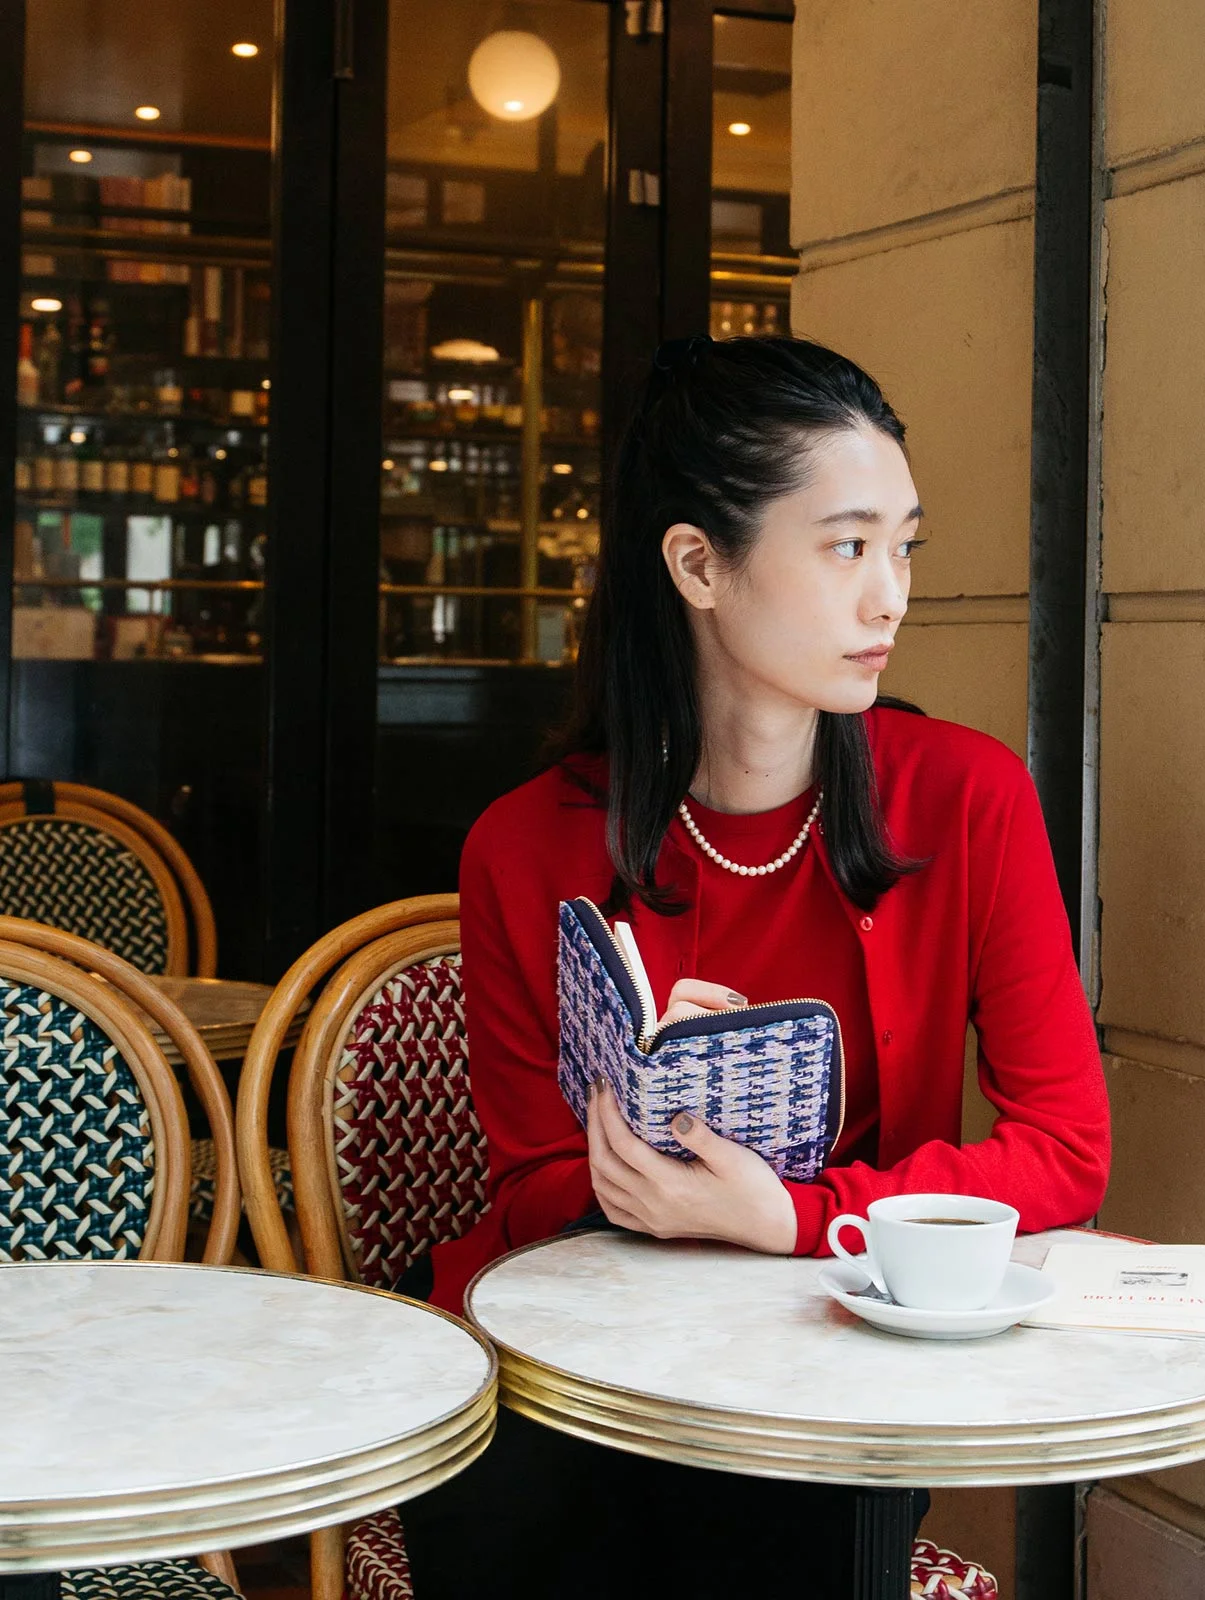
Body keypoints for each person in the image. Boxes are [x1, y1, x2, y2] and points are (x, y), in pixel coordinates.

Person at [396, 333, 1111, 1596]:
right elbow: (527, 1187)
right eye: (846, 546)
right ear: (697, 565)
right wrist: (647, 1143)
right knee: (528, 1496)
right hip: (572, 1366)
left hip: (821, 1364)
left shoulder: (966, 797)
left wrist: (789, 1213)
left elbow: (1063, 1147)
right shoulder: (523, 843)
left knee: (780, 1497)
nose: (889, 597)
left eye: (904, 547)